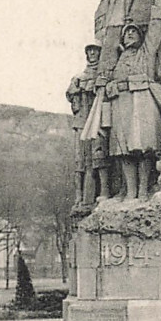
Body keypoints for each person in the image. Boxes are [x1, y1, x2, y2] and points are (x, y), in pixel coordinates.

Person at [104, 0, 161, 200]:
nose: (129, 35)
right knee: (122, 150)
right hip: (122, 104)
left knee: (144, 148)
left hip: (143, 103)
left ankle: (142, 190)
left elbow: (156, 30)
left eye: (133, 33)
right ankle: (130, 191)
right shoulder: (119, 59)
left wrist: (158, 1)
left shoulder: (146, 53)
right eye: (126, 34)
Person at [66, 40, 110, 207]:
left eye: (95, 51)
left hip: (98, 120)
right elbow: (71, 96)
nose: (92, 54)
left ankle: (103, 191)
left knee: (99, 156)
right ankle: (81, 197)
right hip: (81, 122)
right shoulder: (79, 77)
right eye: (89, 51)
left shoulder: (103, 73)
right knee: (80, 161)